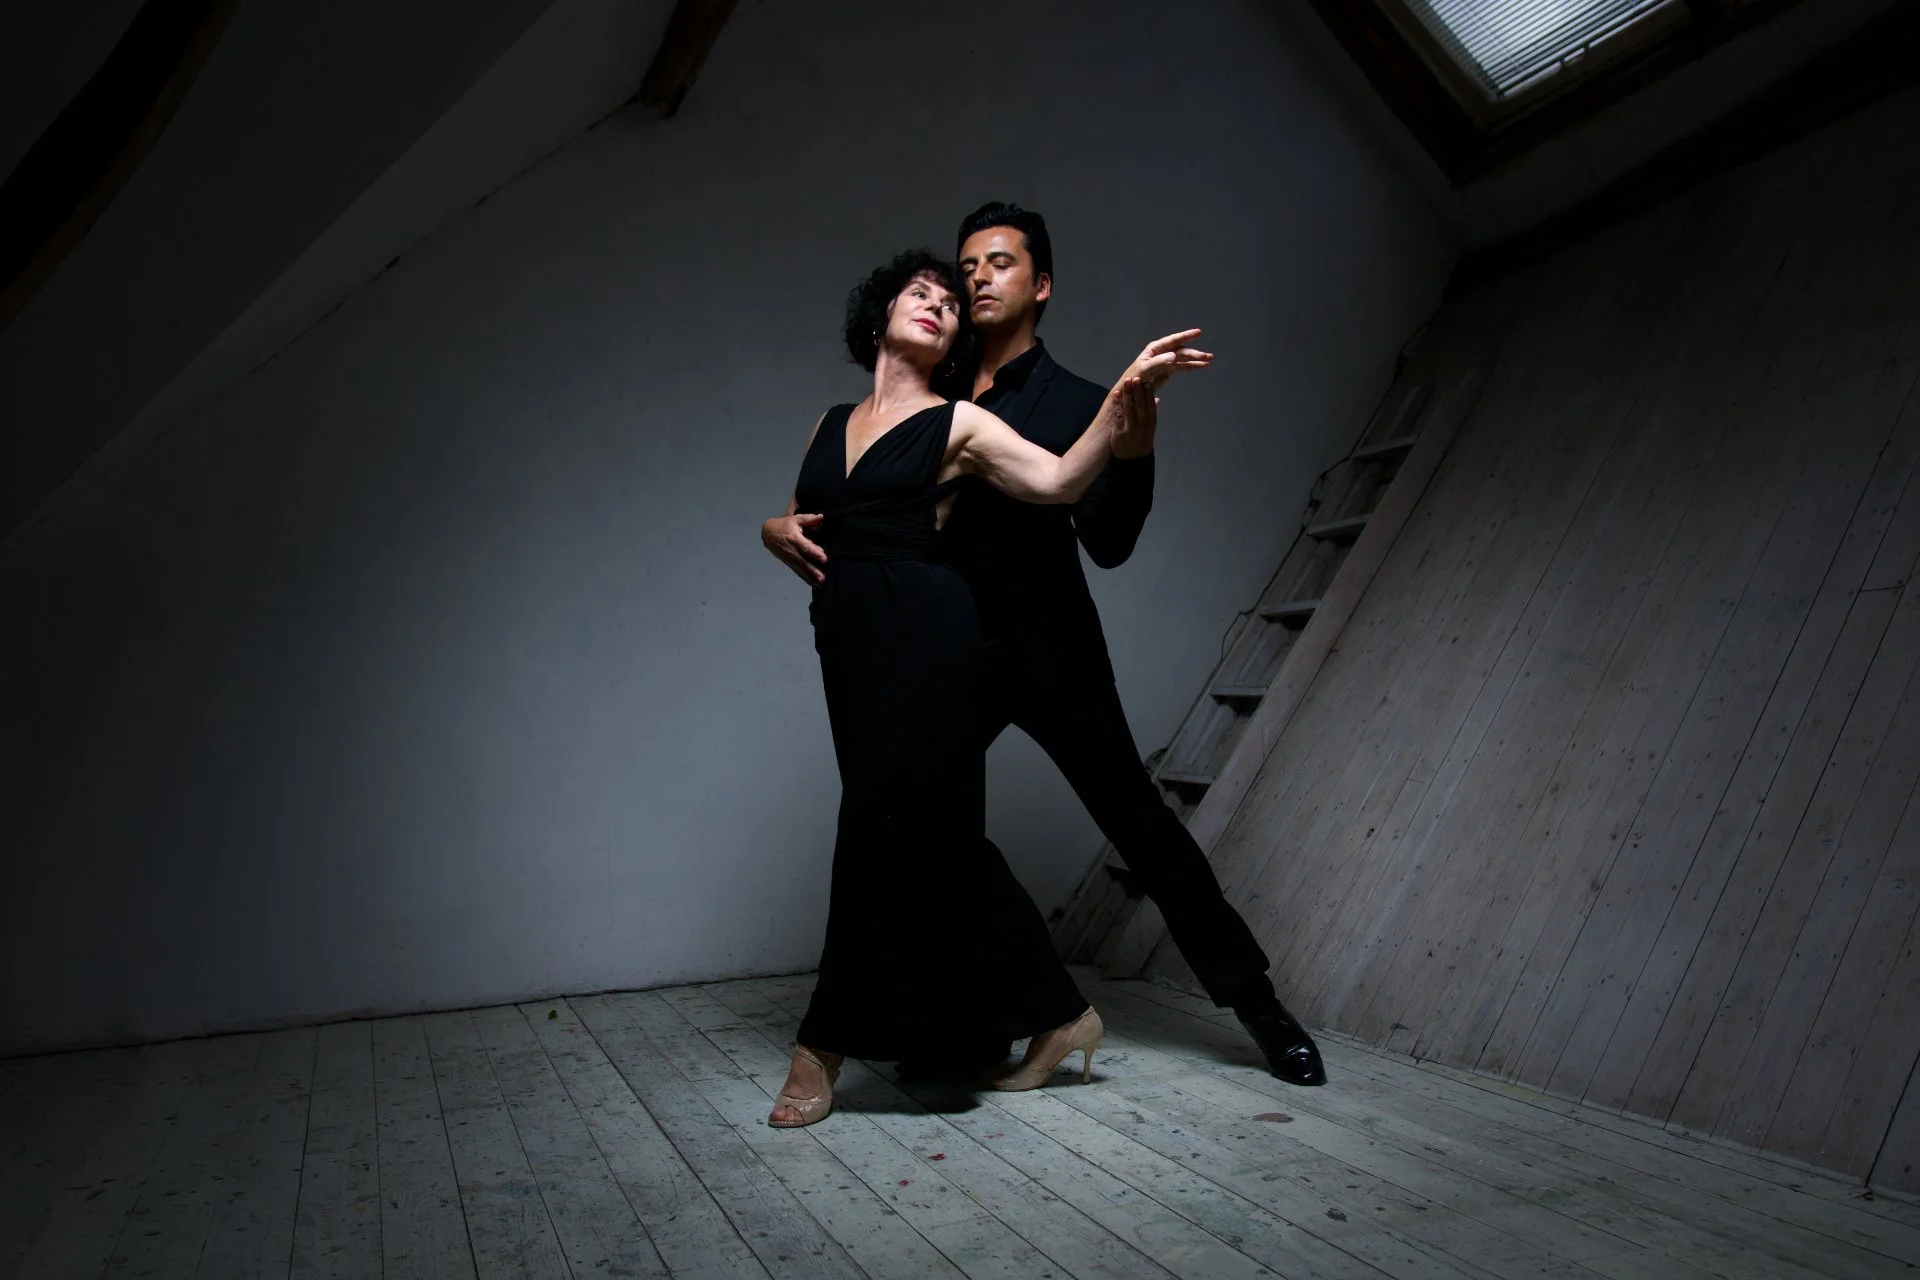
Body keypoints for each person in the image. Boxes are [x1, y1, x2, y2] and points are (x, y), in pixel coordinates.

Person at [765, 204, 1326, 1087]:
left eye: (998, 263)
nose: (977, 279)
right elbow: (859, 501)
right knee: (906, 824)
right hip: (946, 659)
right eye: (965, 268)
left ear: (1042, 284)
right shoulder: (931, 397)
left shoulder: (1077, 400)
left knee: (1141, 828)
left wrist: (1132, 444)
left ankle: (1259, 1007)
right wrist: (778, 522)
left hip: (1049, 650)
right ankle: (980, 1023)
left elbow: (1106, 537)